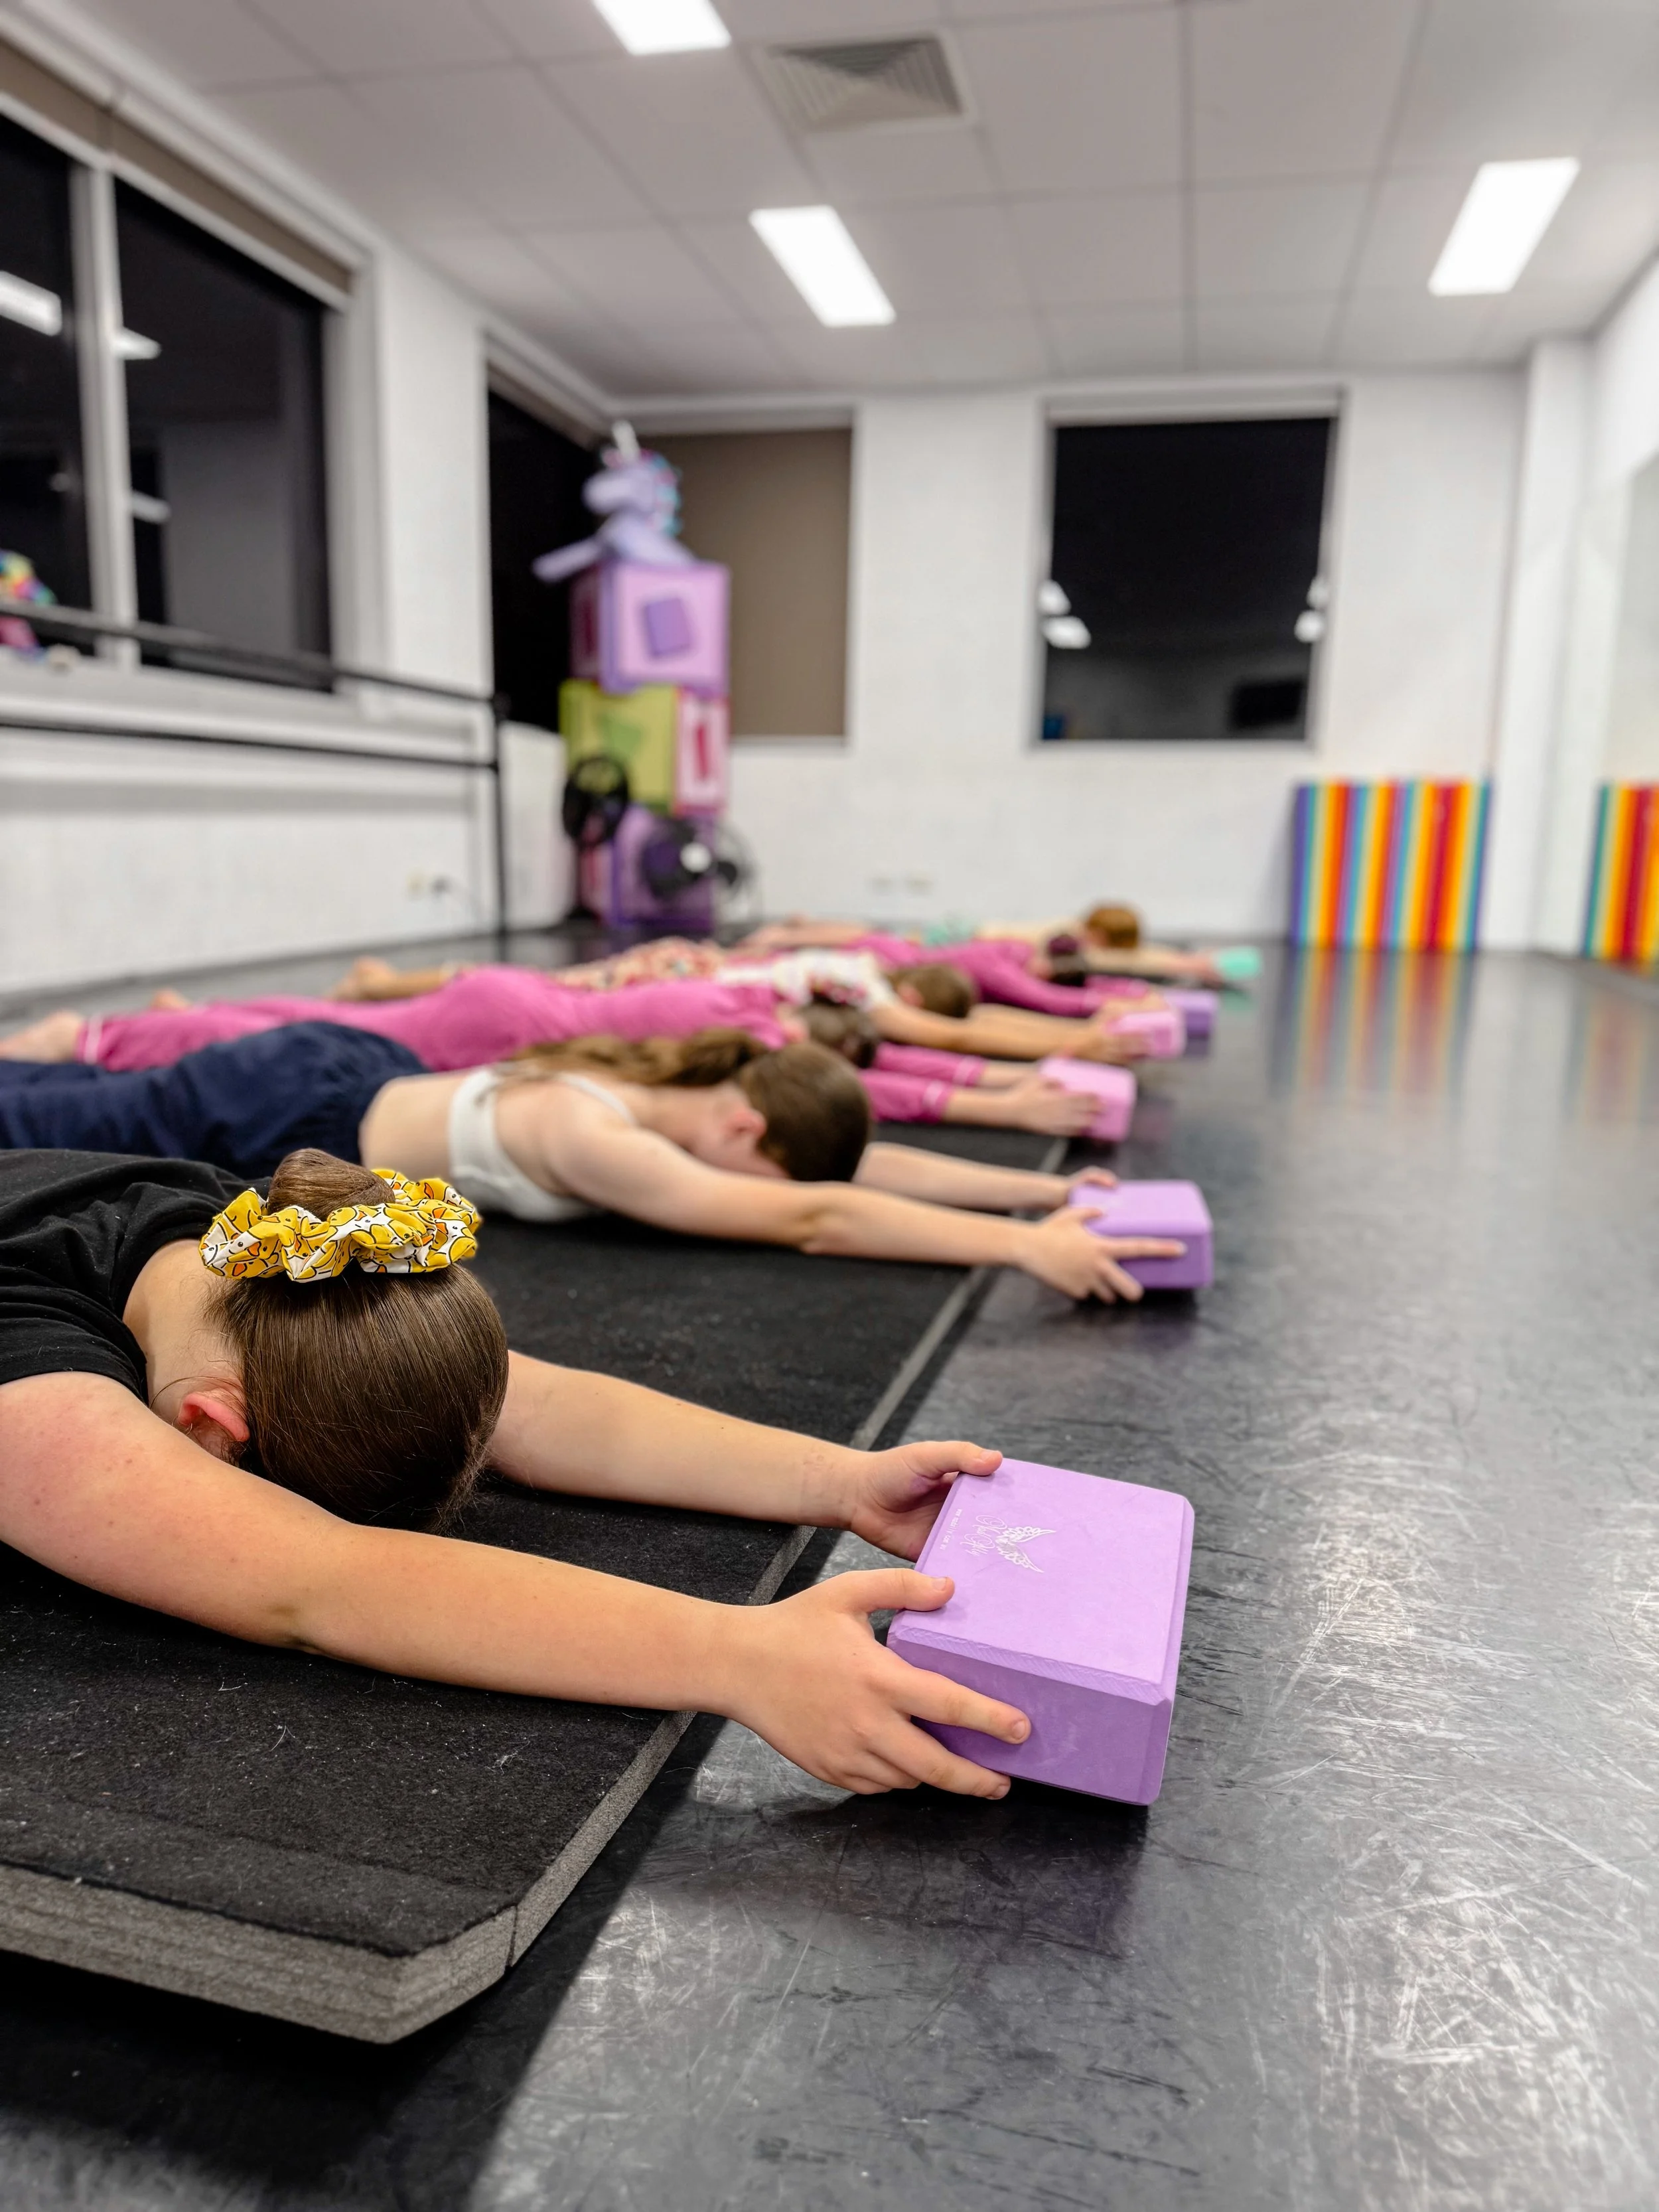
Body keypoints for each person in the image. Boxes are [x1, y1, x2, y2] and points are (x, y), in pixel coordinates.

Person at [0, 1142, 1037, 1797]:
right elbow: (315, 1580)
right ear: (214, 1427)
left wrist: (845, 1483)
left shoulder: (284, 1253)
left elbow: (527, 1404)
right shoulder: (33, 1385)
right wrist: (738, 1656)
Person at [0, 1023, 1182, 1301]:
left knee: (81, 1105)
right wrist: (1024, 1250)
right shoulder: (599, 1137)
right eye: (766, 1170)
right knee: (57, 1123)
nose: (756, 1188)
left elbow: (853, 1174)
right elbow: (810, 1220)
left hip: (342, 1084)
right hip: (284, 1111)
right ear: (747, 1137)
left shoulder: (689, 1096)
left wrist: (1045, 1189)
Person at [0, 957, 1153, 1079]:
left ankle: (178, 1009)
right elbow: (935, 1056)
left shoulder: (809, 975)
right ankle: (92, 1043)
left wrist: (1084, 1015)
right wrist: (1068, 1048)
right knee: (296, 1056)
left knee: (303, 1018)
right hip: (501, 1030)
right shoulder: (807, 1020)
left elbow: (943, 1033)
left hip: (525, 992)